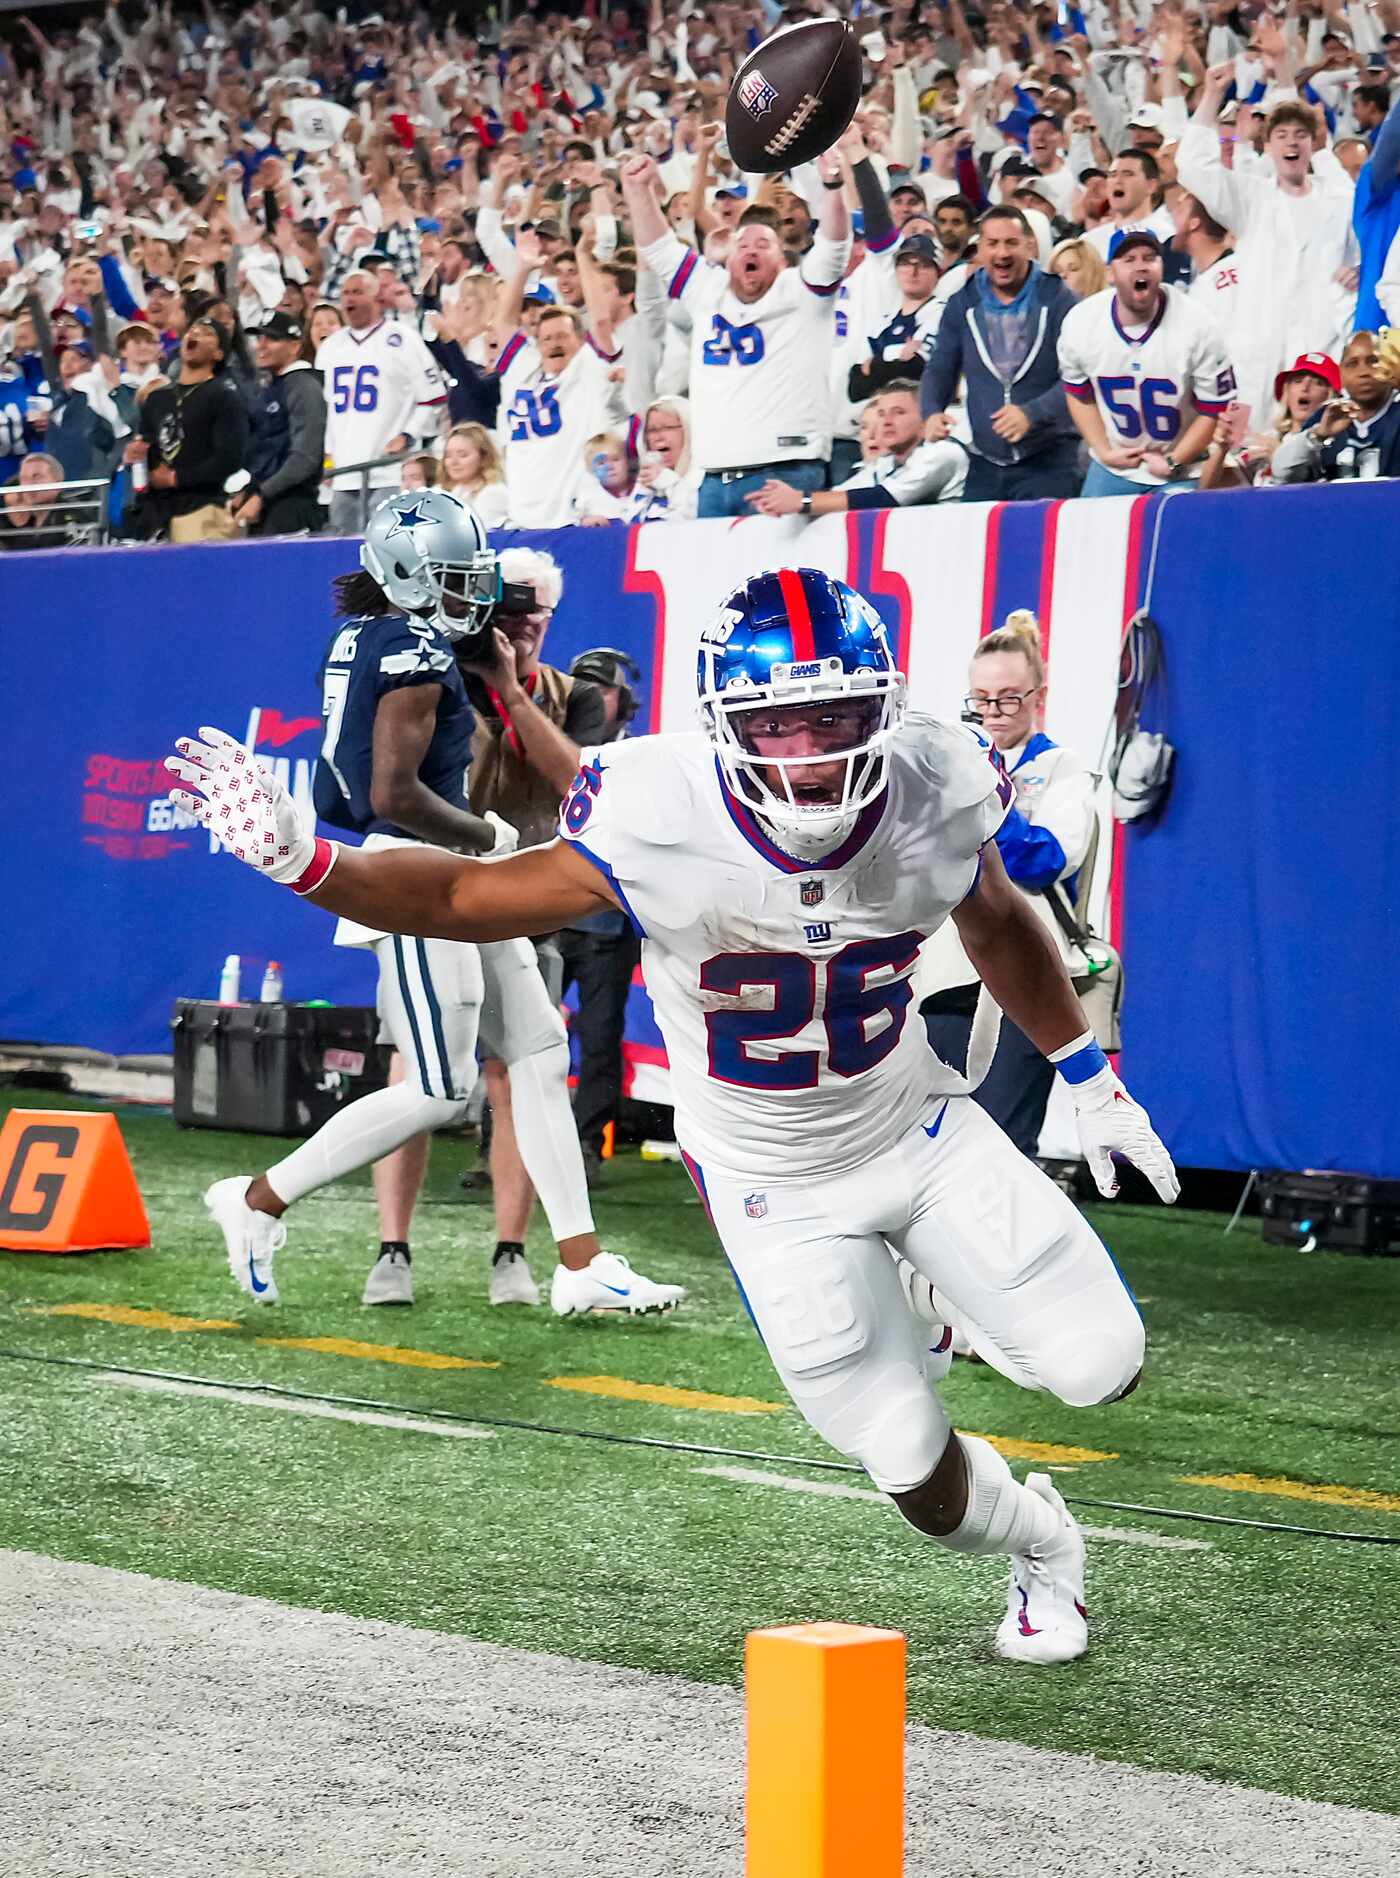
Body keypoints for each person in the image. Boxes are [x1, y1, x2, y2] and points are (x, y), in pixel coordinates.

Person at [169, 566, 1178, 1670]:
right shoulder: (657, 807)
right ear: (723, 725)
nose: (809, 753)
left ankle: (934, 1284)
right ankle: (1043, 1546)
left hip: (912, 1126)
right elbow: (458, 898)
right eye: (775, 724)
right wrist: (304, 860)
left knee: (1098, 1366)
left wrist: (1086, 1072)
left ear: (881, 708)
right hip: (769, 1180)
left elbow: (990, 912)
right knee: (910, 1473)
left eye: (834, 717)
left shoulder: (937, 774)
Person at [188, 491, 682, 1319]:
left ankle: (582, 1262)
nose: (471, 597)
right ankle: (258, 1198)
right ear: (407, 576)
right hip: (416, 873)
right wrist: (488, 836)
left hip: (436, 866)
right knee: (442, 1085)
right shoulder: (412, 644)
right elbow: (392, 790)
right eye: (452, 579)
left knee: (536, 1055)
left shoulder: (368, 633)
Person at [920, 613, 1098, 1158]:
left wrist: (984, 791)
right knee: (929, 1146)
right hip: (944, 982)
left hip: (1023, 984)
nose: (993, 713)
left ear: (1037, 697)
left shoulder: (1064, 770)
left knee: (1001, 1152)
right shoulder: (947, 769)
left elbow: (1044, 862)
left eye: (1008, 698)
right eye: (981, 699)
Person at [621, 148, 851, 519]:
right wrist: (637, 191)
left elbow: (836, 243)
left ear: (784, 259)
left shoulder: (804, 292)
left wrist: (833, 187)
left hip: (787, 470)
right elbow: (659, 249)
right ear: (728, 258)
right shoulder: (706, 291)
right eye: (742, 244)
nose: (751, 249)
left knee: (784, 579)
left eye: (764, 245)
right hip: (713, 477)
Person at [1178, 80, 1356, 425]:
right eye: (1282, 134)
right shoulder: (1251, 197)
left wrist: (1362, 270)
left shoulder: (1340, 200)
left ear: (1311, 144)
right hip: (1258, 343)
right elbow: (1192, 167)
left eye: (1300, 134)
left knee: (1316, 443)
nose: (1291, 141)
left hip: (1318, 344)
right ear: (1269, 146)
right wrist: (1212, 96)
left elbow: (1375, 245)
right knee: (1249, 446)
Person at [920, 207, 1082, 502]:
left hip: (1049, 460)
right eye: (992, 243)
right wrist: (931, 412)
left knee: (1041, 545)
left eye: (1011, 243)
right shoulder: (963, 302)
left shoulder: (1058, 298)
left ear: (1029, 246)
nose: (1002, 253)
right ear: (979, 247)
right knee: (977, 547)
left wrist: (1033, 413)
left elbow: (1079, 379)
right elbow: (940, 367)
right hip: (986, 463)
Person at [1059, 231, 1237, 496]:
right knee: (1090, 532)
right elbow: (1077, 393)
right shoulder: (1081, 322)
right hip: (1116, 467)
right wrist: (1105, 452)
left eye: (1150, 257)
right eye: (1129, 259)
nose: (1141, 265)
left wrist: (1174, 460)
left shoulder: (1198, 324)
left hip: (1183, 468)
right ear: (1110, 273)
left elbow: (1214, 409)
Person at [559, 646, 644, 1183]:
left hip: (606, 923)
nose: (587, 699)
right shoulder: (545, 743)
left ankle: (587, 1145)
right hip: (542, 917)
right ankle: (498, 1145)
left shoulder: (639, 759)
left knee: (599, 1038)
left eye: (600, 689)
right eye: (579, 688)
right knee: (516, 1035)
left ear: (623, 702)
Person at [493, 231, 628, 529]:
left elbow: (601, 321)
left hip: (573, 514)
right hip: (522, 514)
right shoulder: (522, 371)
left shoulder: (587, 369)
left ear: (580, 341)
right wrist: (524, 269)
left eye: (563, 336)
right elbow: (503, 322)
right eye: (547, 337)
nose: (555, 343)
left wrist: (582, 257)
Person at [318, 271, 447, 536]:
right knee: (343, 555)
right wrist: (329, 458)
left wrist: (408, 434)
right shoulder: (330, 347)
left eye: (357, 292)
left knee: (387, 546)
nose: (349, 299)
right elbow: (329, 411)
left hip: (389, 470)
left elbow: (434, 396)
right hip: (344, 472)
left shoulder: (403, 338)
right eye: (345, 293)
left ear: (376, 296)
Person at [748, 381, 966, 515]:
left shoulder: (942, 453)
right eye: (881, 414)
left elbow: (882, 498)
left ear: (925, 419)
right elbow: (843, 494)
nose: (886, 421)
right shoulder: (885, 462)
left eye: (899, 412)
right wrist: (786, 501)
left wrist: (802, 501)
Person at [141, 316, 249, 543]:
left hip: (202, 510)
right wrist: (138, 454)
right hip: (157, 513)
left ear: (219, 354)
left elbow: (230, 458)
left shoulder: (224, 397)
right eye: (192, 330)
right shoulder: (157, 398)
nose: (195, 334)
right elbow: (148, 445)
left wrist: (177, 478)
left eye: (207, 333)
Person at [232, 311, 326, 537]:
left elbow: (305, 457)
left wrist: (261, 494)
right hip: (268, 503)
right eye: (259, 338)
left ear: (295, 346)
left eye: (272, 339)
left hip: (292, 505)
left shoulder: (302, 385)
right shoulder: (273, 386)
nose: (261, 346)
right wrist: (250, 490)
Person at [1271, 330, 1400, 481]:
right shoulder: (1327, 416)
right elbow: (1281, 471)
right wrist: (1318, 435)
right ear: (1341, 374)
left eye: (1373, 361)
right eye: (1352, 364)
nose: (1363, 372)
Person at [441, 421, 510, 529]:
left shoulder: (493, 493)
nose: (453, 462)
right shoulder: (455, 491)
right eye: (448, 455)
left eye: (463, 455)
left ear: (483, 457)